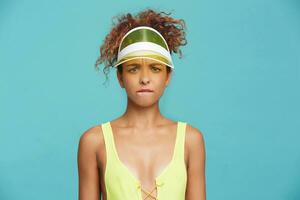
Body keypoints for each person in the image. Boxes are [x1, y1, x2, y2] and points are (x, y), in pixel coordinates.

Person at [77, 8, 206, 200]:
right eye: (133, 69)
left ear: (168, 76)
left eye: (155, 69)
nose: (145, 79)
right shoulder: (94, 142)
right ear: (120, 77)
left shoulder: (191, 140)